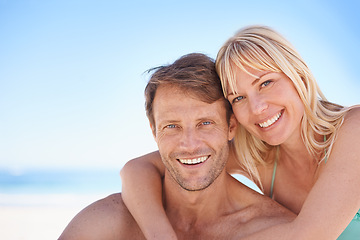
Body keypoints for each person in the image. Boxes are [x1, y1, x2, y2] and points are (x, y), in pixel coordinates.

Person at [120, 26, 360, 239]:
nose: (257, 108)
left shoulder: (354, 128)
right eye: (239, 97)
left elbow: (308, 235)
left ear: (298, 74)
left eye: (266, 83)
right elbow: (137, 169)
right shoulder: (258, 157)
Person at [58, 53, 295, 240]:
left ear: (231, 126)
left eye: (205, 123)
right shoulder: (102, 226)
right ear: (154, 131)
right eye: (172, 126)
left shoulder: (276, 230)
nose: (190, 145)